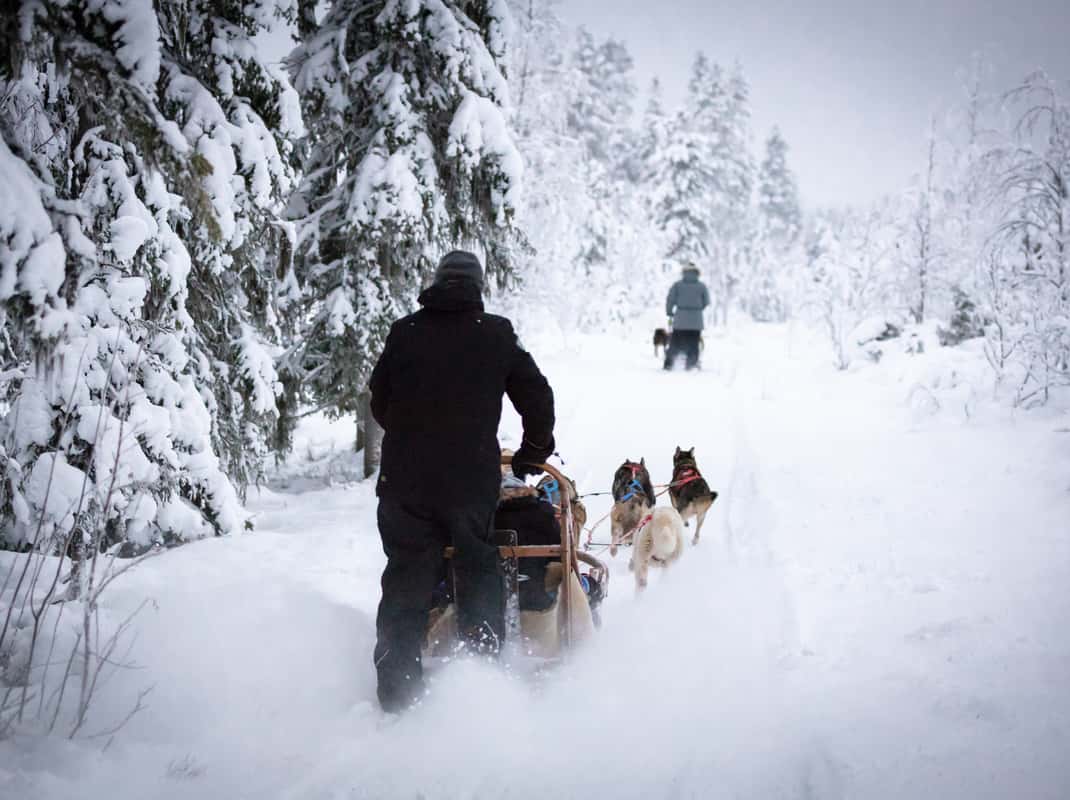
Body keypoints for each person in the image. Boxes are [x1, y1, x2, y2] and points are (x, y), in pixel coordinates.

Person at [368, 250, 555, 713]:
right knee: (477, 568)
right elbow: (537, 396)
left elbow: (379, 400)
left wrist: (413, 435)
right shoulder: (496, 333)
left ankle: (397, 694)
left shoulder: (405, 332)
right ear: (478, 288)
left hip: (405, 481)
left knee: (406, 576)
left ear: (435, 283)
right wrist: (532, 454)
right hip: (469, 480)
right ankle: (481, 683)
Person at [664, 263, 710, 370]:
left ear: (684, 272)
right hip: (696, 321)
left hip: (680, 319)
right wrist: (697, 309)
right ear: (697, 273)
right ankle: (691, 365)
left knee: (675, 343)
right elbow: (706, 302)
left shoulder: (677, 285)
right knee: (694, 344)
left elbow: (670, 300)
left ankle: (669, 364)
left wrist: (669, 312)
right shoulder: (702, 286)